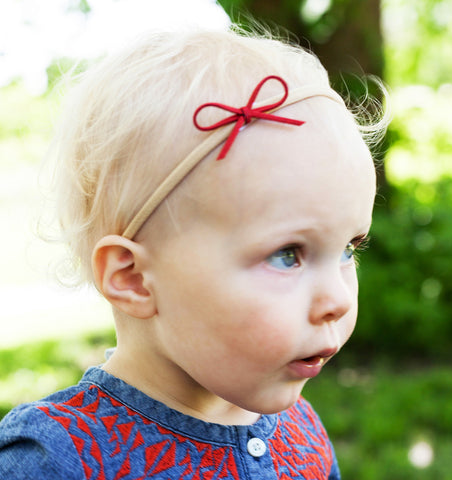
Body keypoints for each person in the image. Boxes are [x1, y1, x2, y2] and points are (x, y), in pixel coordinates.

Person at [0, 26, 385, 479]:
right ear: (133, 278)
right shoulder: (58, 458)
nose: (338, 299)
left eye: (347, 249)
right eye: (287, 255)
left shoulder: (302, 433)